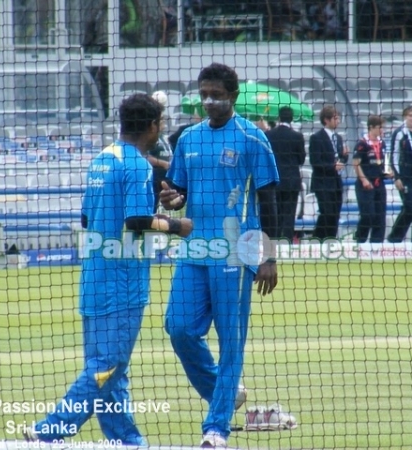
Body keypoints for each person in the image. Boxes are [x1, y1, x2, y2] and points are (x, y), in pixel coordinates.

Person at [23, 94, 192, 445]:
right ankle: (50, 430)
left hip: (95, 275)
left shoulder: (101, 159)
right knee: (107, 366)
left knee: (112, 368)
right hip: (123, 279)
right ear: (153, 126)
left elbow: (87, 217)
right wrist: (177, 226)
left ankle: (127, 440)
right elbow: (134, 220)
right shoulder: (137, 165)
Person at [159, 62, 280, 449]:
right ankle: (225, 393)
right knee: (178, 328)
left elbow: (269, 199)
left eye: (217, 95)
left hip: (237, 255)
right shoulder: (188, 139)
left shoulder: (252, 138)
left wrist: (269, 257)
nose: (208, 101)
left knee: (231, 343)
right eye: (204, 94)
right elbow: (177, 191)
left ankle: (216, 430)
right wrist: (172, 199)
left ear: (233, 96)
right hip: (194, 251)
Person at [387, 105, 412, 243]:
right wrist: (397, 177)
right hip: (406, 176)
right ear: (405, 117)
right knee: (410, 207)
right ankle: (394, 238)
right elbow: (393, 156)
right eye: (410, 115)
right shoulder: (399, 133)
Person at [265, 106, 306, 241]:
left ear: (279, 118)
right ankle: (287, 242)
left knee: (275, 213)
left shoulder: (269, 135)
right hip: (291, 181)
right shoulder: (297, 136)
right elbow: (301, 159)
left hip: (274, 180)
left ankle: (274, 242)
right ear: (291, 118)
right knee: (289, 214)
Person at [309, 105, 348, 240]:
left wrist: (345, 156)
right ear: (326, 120)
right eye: (335, 118)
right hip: (323, 183)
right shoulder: (316, 138)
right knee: (327, 213)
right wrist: (333, 166)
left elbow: (340, 160)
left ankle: (330, 240)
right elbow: (316, 162)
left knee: (335, 214)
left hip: (336, 183)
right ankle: (317, 238)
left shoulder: (339, 138)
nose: (338, 121)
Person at [352, 115, 389, 243]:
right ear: (371, 127)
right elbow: (356, 163)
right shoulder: (362, 144)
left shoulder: (382, 143)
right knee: (368, 215)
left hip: (379, 184)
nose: (381, 130)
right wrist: (364, 180)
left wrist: (387, 172)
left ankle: (376, 245)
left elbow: (383, 161)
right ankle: (359, 240)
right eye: (379, 127)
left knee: (380, 217)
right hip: (365, 186)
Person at [146, 90, 173, 212]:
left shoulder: (164, 137)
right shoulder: (151, 137)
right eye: (161, 120)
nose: (164, 121)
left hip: (165, 178)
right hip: (154, 177)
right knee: (152, 206)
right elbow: (145, 156)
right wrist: (164, 164)